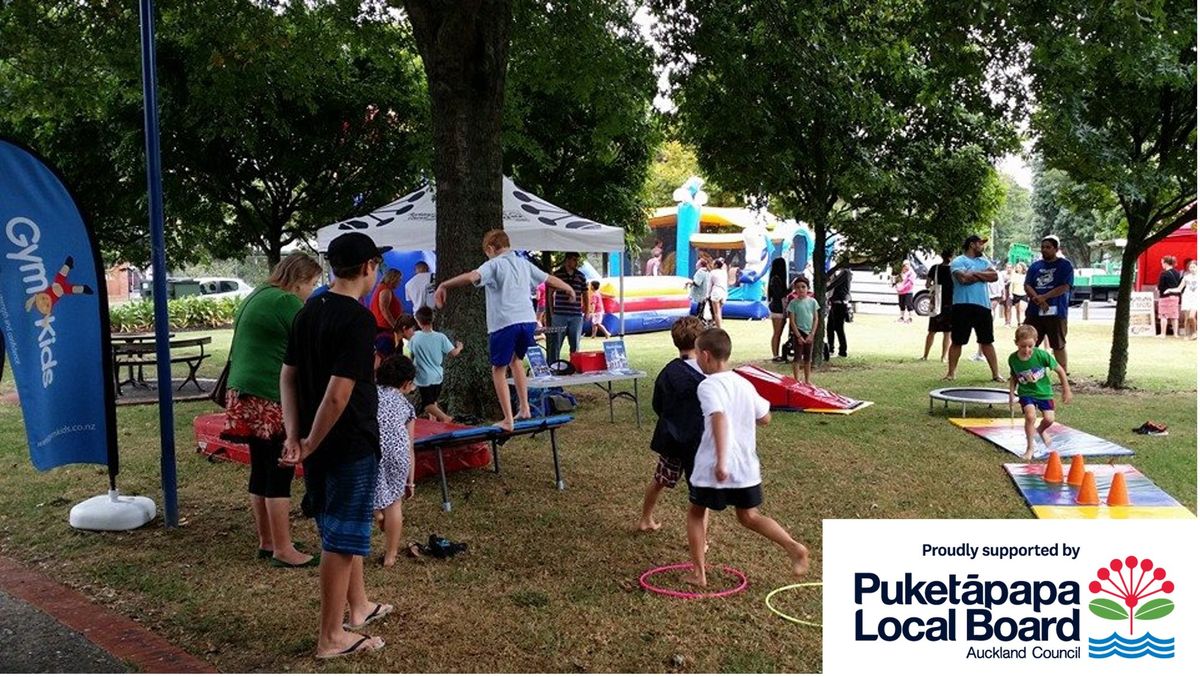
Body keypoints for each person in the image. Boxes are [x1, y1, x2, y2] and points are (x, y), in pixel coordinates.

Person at [279, 232, 392, 659]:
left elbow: (287, 376)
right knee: (342, 540)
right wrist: (307, 440)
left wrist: (296, 435)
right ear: (369, 266)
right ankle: (331, 637)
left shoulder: (308, 312)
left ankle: (358, 607)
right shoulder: (358, 320)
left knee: (341, 527)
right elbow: (339, 394)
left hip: (317, 441)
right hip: (345, 443)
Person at [682, 328, 810, 588]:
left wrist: (720, 461)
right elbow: (765, 417)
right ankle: (794, 547)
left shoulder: (708, 386)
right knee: (749, 516)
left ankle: (698, 574)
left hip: (714, 467)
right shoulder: (743, 382)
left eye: (697, 355)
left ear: (705, 355)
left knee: (696, 513)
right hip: (746, 467)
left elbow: (718, 417)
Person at [223, 252, 323, 567]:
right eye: (312, 284)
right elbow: (315, 345)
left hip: (242, 394)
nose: (312, 291)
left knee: (261, 467)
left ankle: (268, 541)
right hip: (269, 395)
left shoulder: (258, 294)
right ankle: (283, 549)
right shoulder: (285, 302)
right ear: (298, 281)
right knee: (281, 469)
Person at [434, 229, 575, 431]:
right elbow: (549, 279)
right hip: (527, 320)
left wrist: (445, 285)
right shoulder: (524, 263)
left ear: (491, 249)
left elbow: (472, 276)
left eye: (487, 253)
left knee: (498, 370)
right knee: (516, 360)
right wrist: (568, 289)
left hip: (504, 322)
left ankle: (508, 419)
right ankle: (524, 407)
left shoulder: (494, 264)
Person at [639, 316, 706, 532]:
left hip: (672, 441)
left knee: (659, 480)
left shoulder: (668, 372)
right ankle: (701, 540)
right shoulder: (707, 374)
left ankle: (645, 518)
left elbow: (657, 405)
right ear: (701, 342)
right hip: (698, 444)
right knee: (701, 495)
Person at [372, 354, 417, 567]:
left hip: (373, 449)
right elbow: (410, 446)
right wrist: (411, 481)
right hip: (398, 452)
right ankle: (390, 556)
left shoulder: (370, 395)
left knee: (372, 489)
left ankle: (377, 513)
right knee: (395, 502)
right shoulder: (407, 407)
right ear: (406, 383)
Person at [1007, 324, 1072, 461]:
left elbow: (1060, 370)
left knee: (1049, 419)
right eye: (1022, 346)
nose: (1026, 350)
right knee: (1030, 417)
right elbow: (1014, 377)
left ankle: (1041, 430)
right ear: (1016, 343)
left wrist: (1066, 389)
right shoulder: (1012, 359)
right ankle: (1030, 448)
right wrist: (1011, 393)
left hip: (1044, 393)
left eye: (1030, 346)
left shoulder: (1042, 355)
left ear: (1036, 341)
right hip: (1026, 393)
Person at [944, 234, 1003, 381]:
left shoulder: (983, 261)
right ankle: (951, 373)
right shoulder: (958, 261)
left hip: (983, 306)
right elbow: (962, 279)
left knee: (987, 341)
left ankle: (995, 374)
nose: (982, 246)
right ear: (972, 244)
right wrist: (983, 275)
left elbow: (994, 276)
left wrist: (974, 273)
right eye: (980, 243)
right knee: (957, 341)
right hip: (962, 306)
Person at [1023, 235, 1074, 372]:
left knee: (1058, 344)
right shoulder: (1035, 266)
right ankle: (1026, 370)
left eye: (1048, 247)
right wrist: (1038, 299)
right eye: (1042, 247)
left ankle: (1063, 374)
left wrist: (1044, 297)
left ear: (1056, 249)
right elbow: (1027, 285)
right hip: (1034, 312)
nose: (1044, 250)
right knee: (1029, 342)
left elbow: (1065, 287)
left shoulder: (1065, 265)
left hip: (1057, 312)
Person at [410, 306, 463, 423]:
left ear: (418, 321)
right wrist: (459, 347)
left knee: (427, 405)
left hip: (423, 377)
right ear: (432, 319)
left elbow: (411, 352)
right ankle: (433, 423)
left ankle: (446, 418)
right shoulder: (441, 337)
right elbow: (453, 353)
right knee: (433, 401)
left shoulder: (415, 337)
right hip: (438, 376)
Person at [548, 252, 589, 361]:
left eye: (577, 260)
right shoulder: (557, 275)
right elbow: (550, 294)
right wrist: (552, 312)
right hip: (559, 315)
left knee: (575, 344)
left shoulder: (581, 276)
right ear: (567, 260)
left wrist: (587, 310)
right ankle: (553, 365)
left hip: (576, 315)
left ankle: (575, 366)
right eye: (574, 260)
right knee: (555, 343)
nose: (576, 263)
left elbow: (585, 294)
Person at [786, 277, 820, 384]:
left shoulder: (813, 302)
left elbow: (815, 318)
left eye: (803, 287)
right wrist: (798, 336)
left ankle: (807, 380)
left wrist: (812, 334)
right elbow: (792, 321)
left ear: (808, 288)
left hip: (809, 332)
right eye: (798, 287)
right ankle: (796, 380)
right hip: (798, 332)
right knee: (797, 358)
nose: (800, 289)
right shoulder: (793, 303)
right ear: (794, 289)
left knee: (807, 358)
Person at [922, 249, 954, 361]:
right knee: (947, 333)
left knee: (931, 331)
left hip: (936, 302)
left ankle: (925, 355)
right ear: (952, 256)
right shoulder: (954, 270)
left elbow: (927, 284)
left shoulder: (934, 268)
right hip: (950, 303)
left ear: (941, 256)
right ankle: (943, 357)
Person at [369, 269, 403, 360]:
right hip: (384, 327)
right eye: (399, 279)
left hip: (383, 327)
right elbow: (384, 309)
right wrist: (395, 326)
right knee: (389, 355)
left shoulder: (382, 288)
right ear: (393, 278)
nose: (400, 282)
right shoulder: (385, 290)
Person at [825, 266, 852, 359]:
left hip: (840, 304)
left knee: (838, 328)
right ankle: (831, 348)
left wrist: (824, 289)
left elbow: (835, 284)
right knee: (830, 328)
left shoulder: (845, 272)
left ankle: (842, 350)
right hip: (835, 303)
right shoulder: (842, 273)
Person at [768, 259, 789, 362]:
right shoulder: (776, 279)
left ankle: (777, 354)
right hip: (777, 309)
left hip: (780, 308)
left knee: (778, 333)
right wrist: (790, 289)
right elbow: (779, 295)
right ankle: (775, 355)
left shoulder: (775, 279)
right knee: (777, 333)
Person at [1156, 255, 1183, 338]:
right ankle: (1175, 334)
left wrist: (1157, 289)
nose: (1162, 265)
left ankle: (1163, 334)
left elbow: (1161, 286)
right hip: (1175, 297)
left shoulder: (1164, 274)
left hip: (1165, 297)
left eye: (1162, 263)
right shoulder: (1177, 273)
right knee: (1174, 316)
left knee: (1163, 315)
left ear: (1166, 263)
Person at [1175, 260, 1197, 339]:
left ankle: (1194, 332)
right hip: (1187, 297)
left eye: (1194, 267)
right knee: (1187, 318)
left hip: (1196, 299)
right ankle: (1187, 335)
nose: (1192, 269)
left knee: (1191, 317)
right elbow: (1179, 288)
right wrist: (1170, 290)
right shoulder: (1186, 277)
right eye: (1190, 267)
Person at [707, 258, 728, 328]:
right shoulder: (724, 272)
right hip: (723, 293)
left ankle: (719, 328)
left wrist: (707, 295)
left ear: (716, 265)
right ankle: (719, 326)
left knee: (716, 312)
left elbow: (709, 285)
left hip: (716, 292)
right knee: (719, 311)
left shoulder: (712, 272)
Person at [1007, 261, 1028, 326]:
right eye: (1017, 267)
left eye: (1019, 267)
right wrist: (1010, 294)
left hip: (1023, 294)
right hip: (1016, 294)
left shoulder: (1026, 276)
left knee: (1022, 309)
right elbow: (1011, 285)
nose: (1018, 268)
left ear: (1023, 268)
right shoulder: (1014, 275)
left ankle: (1022, 323)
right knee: (1017, 310)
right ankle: (1019, 322)